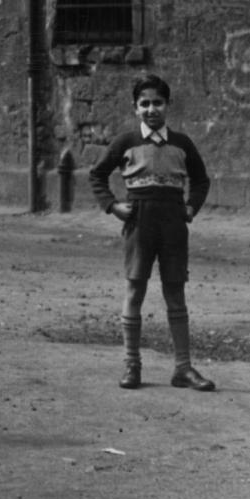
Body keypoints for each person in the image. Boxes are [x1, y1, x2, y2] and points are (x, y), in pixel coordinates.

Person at [88, 74, 215, 391]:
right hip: (139, 222)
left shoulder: (182, 143)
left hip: (173, 223)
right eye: (144, 103)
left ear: (167, 106)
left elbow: (201, 180)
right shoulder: (126, 142)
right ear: (135, 108)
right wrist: (113, 206)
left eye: (157, 102)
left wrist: (190, 207)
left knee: (175, 292)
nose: (151, 109)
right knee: (135, 289)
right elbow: (97, 174)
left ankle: (183, 368)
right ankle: (132, 365)